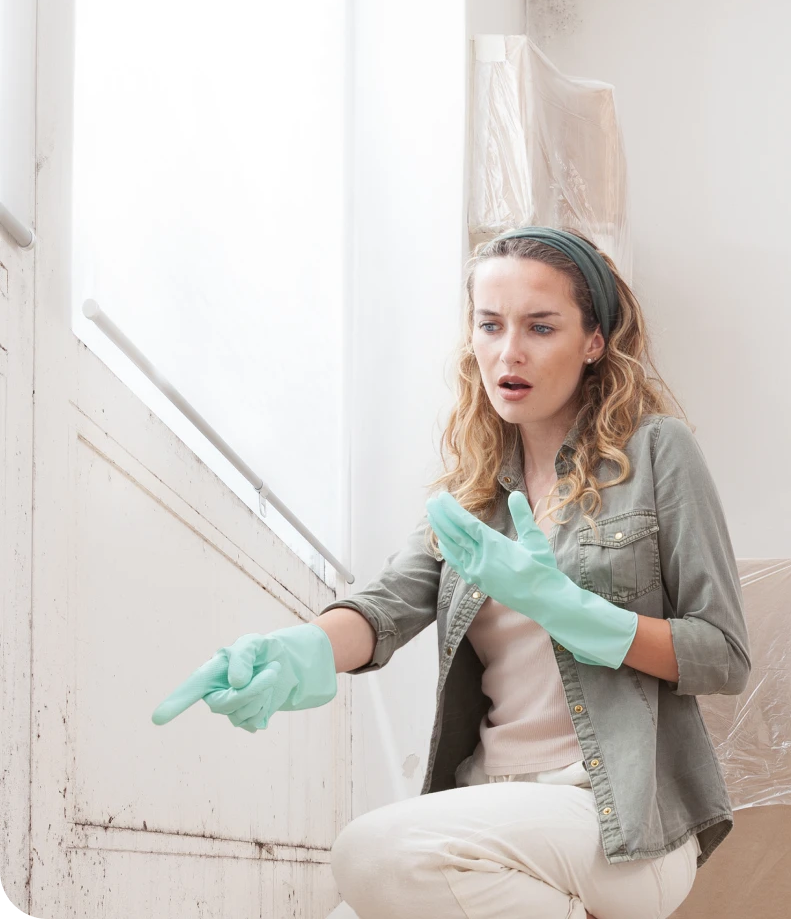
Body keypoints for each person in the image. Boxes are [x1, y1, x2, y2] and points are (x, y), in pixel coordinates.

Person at [153, 227, 751, 919]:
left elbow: (724, 654)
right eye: (490, 326)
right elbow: (387, 605)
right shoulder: (473, 492)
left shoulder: (655, 454)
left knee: (371, 855)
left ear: (594, 342)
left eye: (540, 327)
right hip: (486, 804)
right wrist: (304, 647)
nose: (510, 352)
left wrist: (575, 612)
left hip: (613, 819)